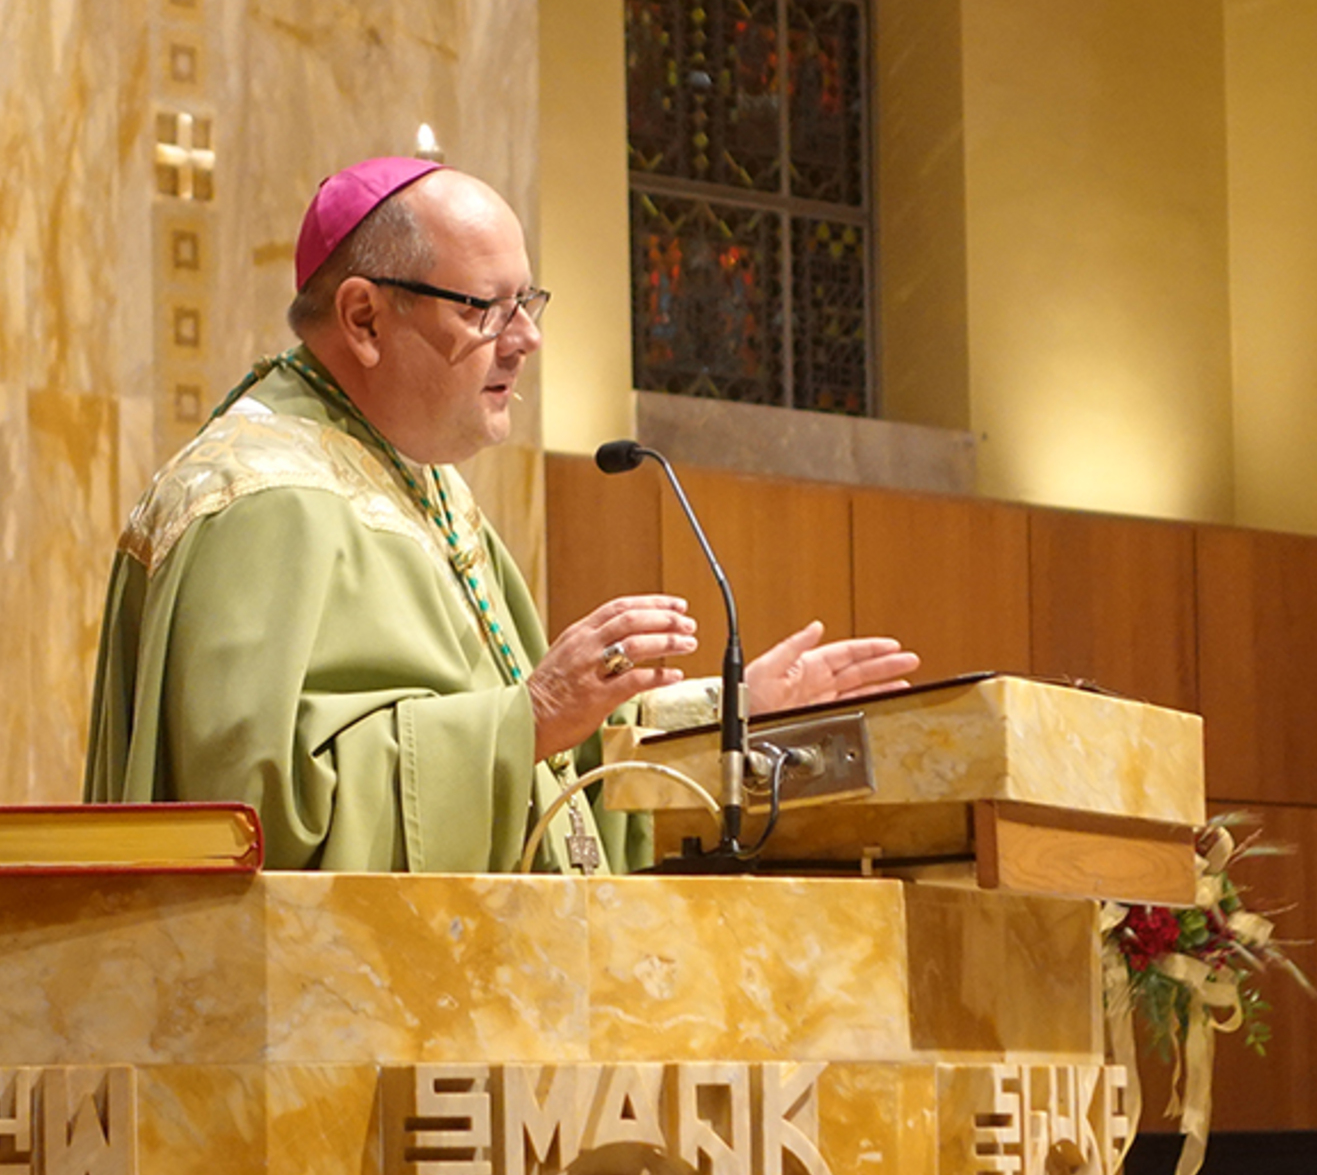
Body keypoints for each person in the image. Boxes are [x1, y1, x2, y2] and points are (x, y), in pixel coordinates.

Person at [85, 157, 919, 870]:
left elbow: (549, 773)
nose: (526, 339)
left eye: (528, 302)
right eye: (486, 308)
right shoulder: (259, 497)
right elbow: (254, 817)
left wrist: (724, 719)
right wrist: (529, 717)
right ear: (364, 318)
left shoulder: (425, 488)